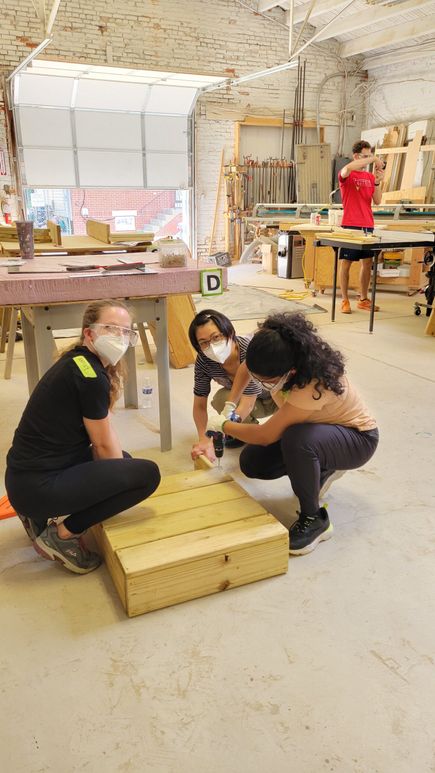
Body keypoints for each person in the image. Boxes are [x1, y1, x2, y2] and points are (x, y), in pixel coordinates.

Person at [5, 299, 161, 574]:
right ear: (89, 333)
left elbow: (105, 434)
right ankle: (62, 535)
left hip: (24, 480)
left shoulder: (78, 361)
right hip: (37, 487)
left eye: (127, 332)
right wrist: (122, 480)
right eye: (111, 329)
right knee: (146, 476)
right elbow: (101, 444)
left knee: (125, 461)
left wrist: (121, 469)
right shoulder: (90, 377)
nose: (120, 338)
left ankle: (35, 515)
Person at [207, 312, 379, 556]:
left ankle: (315, 519)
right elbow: (247, 368)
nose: (261, 383)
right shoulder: (273, 344)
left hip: (357, 439)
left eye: (268, 380)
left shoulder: (314, 384)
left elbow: (266, 434)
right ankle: (322, 466)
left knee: (297, 440)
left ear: (292, 371)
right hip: (319, 431)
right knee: (253, 462)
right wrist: (230, 407)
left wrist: (223, 425)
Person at [189, 309, 276, 462]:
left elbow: (247, 404)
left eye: (216, 337)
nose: (212, 346)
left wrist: (223, 427)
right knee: (220, 399)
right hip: (249, 399)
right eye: (203, 343)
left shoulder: (249, 351)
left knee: (290, 415)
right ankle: (243, 433)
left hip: (275, 397)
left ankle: (249, 432)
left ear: (229, 332)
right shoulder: (204, 361)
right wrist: (203, 438)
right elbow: (199, 405)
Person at [338, 140, 385, 314]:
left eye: (369, 155)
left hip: (368, 225)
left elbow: (378, 201)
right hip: (350, 225)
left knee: (367, 263)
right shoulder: (346, 173)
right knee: (346, 264)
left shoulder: (370, 177)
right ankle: (344, 300)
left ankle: (363, 299)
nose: (368, 160)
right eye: (365, 156)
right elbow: (349, 168)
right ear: (356, 156)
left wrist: (378, 182)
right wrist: (373, 159)